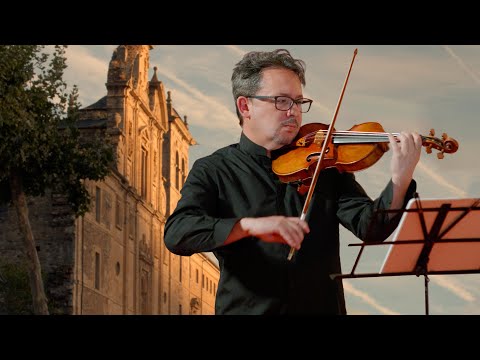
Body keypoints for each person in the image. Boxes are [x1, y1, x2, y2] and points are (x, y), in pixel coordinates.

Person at [164, 48, 422, 315]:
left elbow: (370, 227)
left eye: (299, 102)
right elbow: (178, 233)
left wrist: (399, 180)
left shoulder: (324, 165)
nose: (294, 112)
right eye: (282, 101)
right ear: (245, 106)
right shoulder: (214, 170)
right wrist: (248, 226)